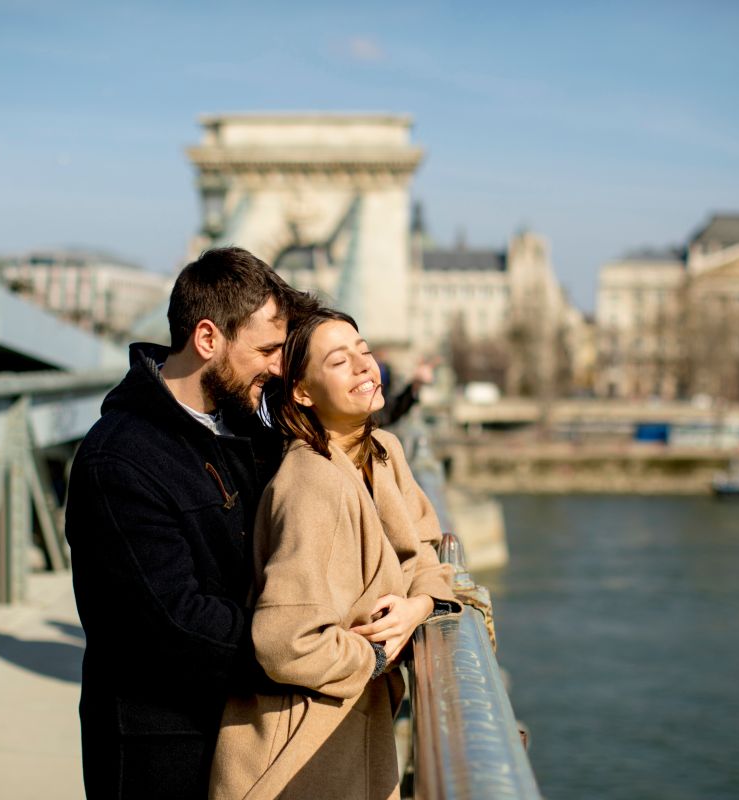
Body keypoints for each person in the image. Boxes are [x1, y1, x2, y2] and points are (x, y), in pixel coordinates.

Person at [65, 247, 313, 799]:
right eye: (267, 349)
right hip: (162, 751)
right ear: (207, 339)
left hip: (239, 733)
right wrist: (311, 649)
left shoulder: (246, 434)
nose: (277, 366)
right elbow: (176, 623)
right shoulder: (119, 460)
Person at [210, 308, 460, 800]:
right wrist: (379, 653)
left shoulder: (383, 452)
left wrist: (419, 607)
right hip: (294, 755)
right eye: (340, 361)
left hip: (348, 736)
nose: (365, 367)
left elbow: (425, 553)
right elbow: (285, 641)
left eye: (365, 353)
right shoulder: (310, 483)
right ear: (302, 392)